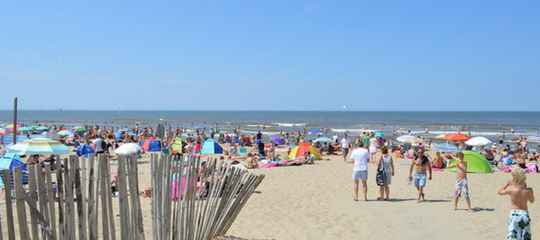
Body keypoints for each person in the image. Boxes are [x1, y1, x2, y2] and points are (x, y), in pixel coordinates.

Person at [498, 168, 535, 240]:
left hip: (514, 214)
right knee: (525, 236)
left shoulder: (511, 190)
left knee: (513, 235)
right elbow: (532, 201)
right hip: (524, 214)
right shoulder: (529, 190)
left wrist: (507, 184)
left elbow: (500, 192)